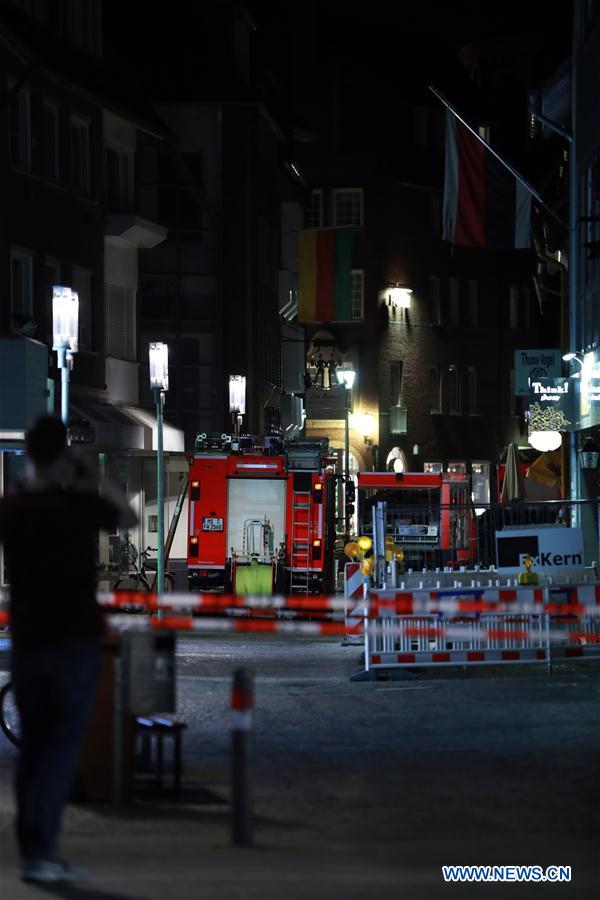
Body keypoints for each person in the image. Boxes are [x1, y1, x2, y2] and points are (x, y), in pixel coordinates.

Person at [0, 415, 137, 884]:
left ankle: (31, 847)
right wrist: (94, 475)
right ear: (64, 456)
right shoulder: (77, 504)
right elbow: (128, 517)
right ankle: (44, 851)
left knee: (34, 747)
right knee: (61, 748)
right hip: (75, 639)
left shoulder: (13, 506)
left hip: (29, 640)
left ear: (27, 455)